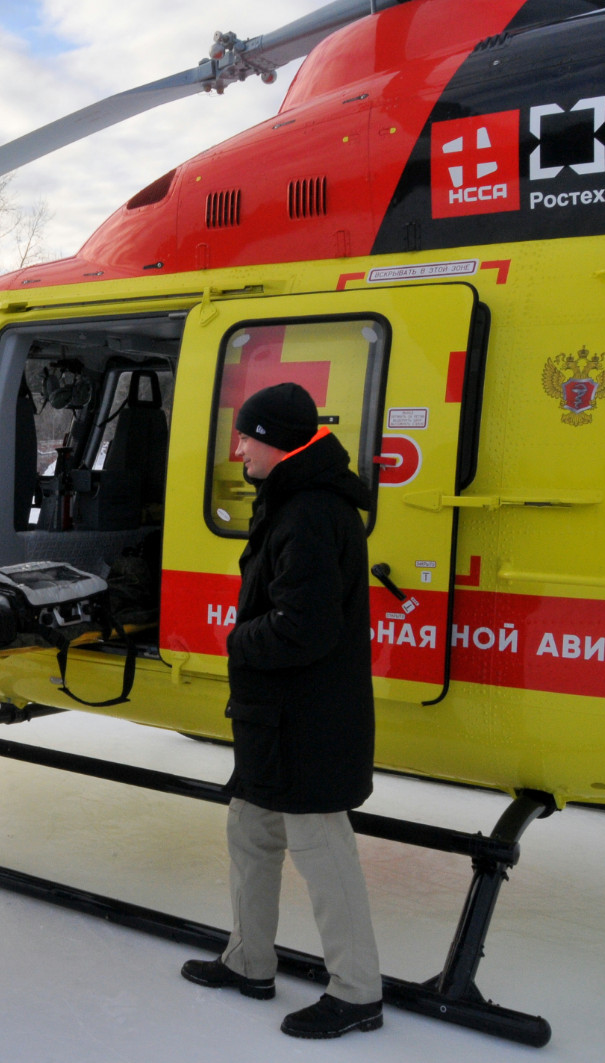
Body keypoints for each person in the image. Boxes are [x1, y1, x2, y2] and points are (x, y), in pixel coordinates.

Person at [179, 382, 384, 1040]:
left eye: (248, 435)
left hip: (309, 721)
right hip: (277, 718)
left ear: (278, 441)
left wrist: (239, 639)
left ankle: (357, 992)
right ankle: (250, 961)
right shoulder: (294, 499)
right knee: (250, 830)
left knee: (322, 848)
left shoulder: (312, 512)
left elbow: (305, 627)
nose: (238, 446)